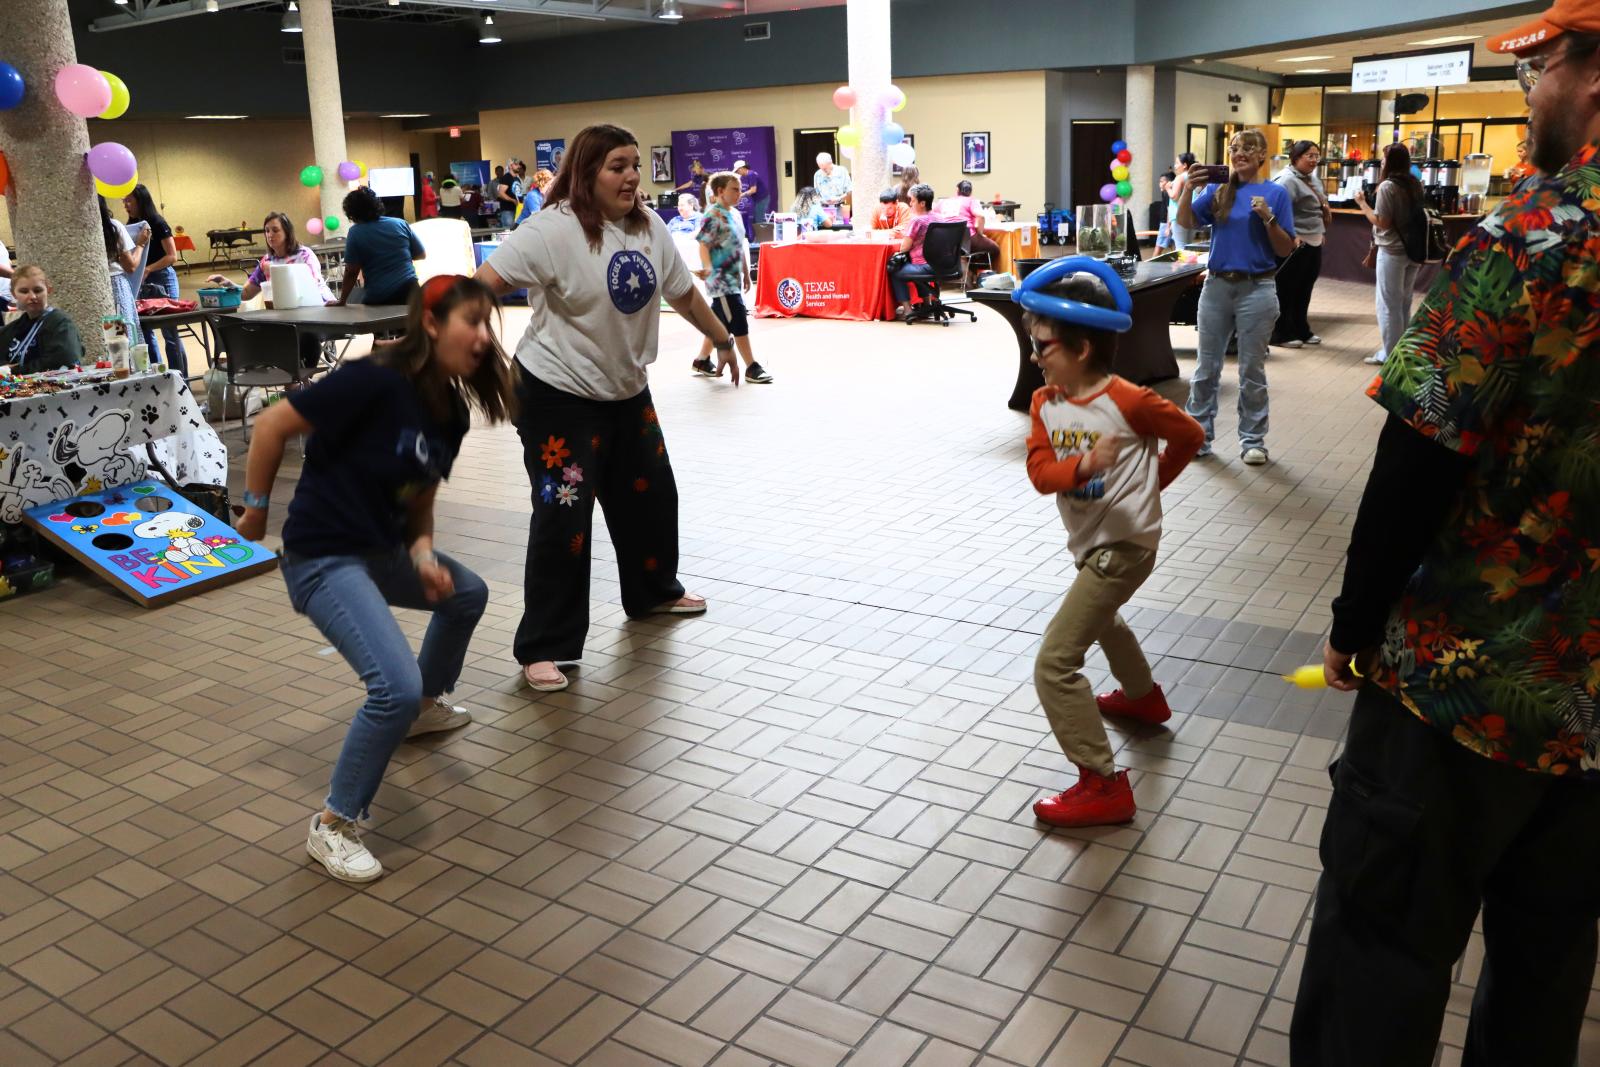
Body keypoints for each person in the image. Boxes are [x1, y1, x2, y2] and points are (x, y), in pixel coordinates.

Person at [1291, 12, 1600, 1065]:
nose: (1525, 89)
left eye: (1539, 66)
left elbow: (1418, 454)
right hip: (1591, 719)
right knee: (1545, 972)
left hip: (1455, 688)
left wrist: (1350, 622)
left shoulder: (1529, 240)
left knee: (1380, 951)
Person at [235, 274, 514, 882]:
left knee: (467, 593)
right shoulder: (373, 380)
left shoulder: (450, 416)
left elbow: (419, 500)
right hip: (323, 556)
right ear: (433, 324)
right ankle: (334, 824)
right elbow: (270, 427)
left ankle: (424, 709)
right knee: (391, 683)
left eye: (488, 325)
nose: (484, 338)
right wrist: (255, 508)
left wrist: (422, 556)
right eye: (473, 321)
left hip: (382, 552)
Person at [474, 124, 739, 693]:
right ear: (586, 172)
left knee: (651, 493)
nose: (631, 177)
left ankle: (653, 593)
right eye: (618, 166)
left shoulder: (648, 226)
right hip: (555, 395)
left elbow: (683, 291)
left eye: (635, 165)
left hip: (624, 390)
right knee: (564, 518)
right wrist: (448, 344)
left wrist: (722, 338)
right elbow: (481, 287)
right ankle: (545, 646)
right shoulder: (550, 231)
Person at [1020, 259, 1204, 827]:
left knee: (1054, 663)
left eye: (1044, 346)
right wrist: (1080, 468)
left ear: (1079, 348)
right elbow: (1040, 472)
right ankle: (1143, 698)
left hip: (1123, 546)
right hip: (1090, 541)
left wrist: (1150, 487)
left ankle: (1102, 782)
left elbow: (1190, 436)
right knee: (1104, 621)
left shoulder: (1129, 400)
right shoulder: (1045, 404)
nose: (1034, 356)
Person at [1177, 129, 1295, 466]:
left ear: (1262, 155)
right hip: (1216, 286)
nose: (1239, 153)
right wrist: (1187, 188)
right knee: (1206, 367)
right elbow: (1186, 222)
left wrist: (1268, 218)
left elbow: (1285, 247)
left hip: (1257, 287)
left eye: (1247, 148)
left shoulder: (1276, 193)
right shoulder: (1218, 189)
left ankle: (1253, 440)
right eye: (1234, 148)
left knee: (1251, 370)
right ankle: (1198, 436)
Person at [207, 212, 335, 366]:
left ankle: (298, 381)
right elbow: (247, 293)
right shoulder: (266, 261)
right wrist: (228, 283)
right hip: (286, 316)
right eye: (267, 231)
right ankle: (295, 382)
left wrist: (276, 271)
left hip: (317, 311)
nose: (270, 235)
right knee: (269, 335)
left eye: (275, 230)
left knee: (301, 337)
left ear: (287, 232)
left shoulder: (305, 255)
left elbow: (311, 286)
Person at [690, 171, 773, 385]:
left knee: (718, 323)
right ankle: (752, 367)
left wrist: (746, 273)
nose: (739, 193)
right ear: (720, 191)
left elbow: (738, 245)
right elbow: (703, 245)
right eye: (734, 189)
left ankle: (701, 360)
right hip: (721, 282)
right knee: (738, 321)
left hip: (734, 279)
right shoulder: (712, 216)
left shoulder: (735, 214)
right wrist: (708, 267)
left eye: (739, 188)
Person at [1354, 142, 1425, 366]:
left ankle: (1390, 354)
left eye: (1384, 158)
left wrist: (1363, 204)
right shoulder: (1415, 184)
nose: (1381, 162)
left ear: (1390, 162)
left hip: (1392, 250)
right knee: (1404, 302)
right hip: (1413, 250)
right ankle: (1404, 350)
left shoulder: (1387, 187)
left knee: (1388, 305)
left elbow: (1382, 222)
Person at [1270, 140, 1333, 349]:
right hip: (1294, 244)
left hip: (1313, 240)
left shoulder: (1312, 179)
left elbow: (1316, 208)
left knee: (1304, 288)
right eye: (1310, 156)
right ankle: (1281, 333)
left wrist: (1319, 231)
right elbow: (1277, 212)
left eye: (1317, 156)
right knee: (1286, 289)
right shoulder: (1286, 180)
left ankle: (1301, 329)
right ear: (1296, 157)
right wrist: (1291, 236)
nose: (1315, 160)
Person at [122, 185, 188, 373]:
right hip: (140, 281)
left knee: (170, 333)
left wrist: (149, 269)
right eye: (124, 201)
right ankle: (156, 375)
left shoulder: (157, 222)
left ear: (140, 200)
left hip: (163, 278)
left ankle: (181, 378)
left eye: (129, 200)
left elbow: (172, 256)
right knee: (146, 331)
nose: (126, 205)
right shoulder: (131, 225)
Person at [338, 187, 426, 307]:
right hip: (411, 290)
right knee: (412, 325)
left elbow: (352, 271)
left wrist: (342, 300)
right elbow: (421, 254)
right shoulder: (400, 223)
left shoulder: (355, 232)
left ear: (352, 213)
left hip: (379, 296)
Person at [0, 265, 85, 372]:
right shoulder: (12, 329)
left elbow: (65, 361)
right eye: (24, 291)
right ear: (14, 294)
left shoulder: (61, 323)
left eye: (38, 290)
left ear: (48, 290)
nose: (32, 297)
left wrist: (12, 370)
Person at [888, 182, 943, 318]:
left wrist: (905, 237)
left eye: (912, 201)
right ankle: (926, 304)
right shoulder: (939, 218)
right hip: (943, 265)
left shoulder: (917, 221)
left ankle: (908, 310)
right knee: (914, 267)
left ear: (922, 203)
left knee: (895, 270)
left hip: (924, 266)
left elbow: (904, 247)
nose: (910, 204)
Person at [101, 194, 147, 351]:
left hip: (96, 287)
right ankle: (129, 368)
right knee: (124, 336)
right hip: (116, 286)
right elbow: (131, 266)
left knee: (109, 338)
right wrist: (140, 245)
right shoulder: (112, 227)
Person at [937, 179, 1002, 279]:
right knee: (995, 249)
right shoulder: (971, 200)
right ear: (971, 192)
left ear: (957, 190)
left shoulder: (944, 202)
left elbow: (933, 214)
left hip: (946, 242)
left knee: (971, 251)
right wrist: (980, 233)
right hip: (965, 239)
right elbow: (980, 216)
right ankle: (978, 275)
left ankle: (968, 271)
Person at [812, 151, 852, 223]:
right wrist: (822, 200)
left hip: (839, 208)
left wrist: (838, 199)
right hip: (824, 210)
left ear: (830, 163)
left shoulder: (842, 171)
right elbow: (816, 195)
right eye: (821, 168)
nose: (823, 170)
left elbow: (849, 191)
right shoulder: (817, 175)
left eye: (825, 168)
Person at [734, 159, 768, 238]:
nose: (737, 173)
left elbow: (753, 190)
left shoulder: (751, 174)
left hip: (762, 199)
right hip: (759, 199)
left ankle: (760, 240)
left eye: (737, 171)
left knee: (758, 220)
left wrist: (740, 196)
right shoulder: (750, 174)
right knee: (755, 220)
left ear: (742, 168)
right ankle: (758, 239)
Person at [1168, 152, 1196, 249]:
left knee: (1180, 246)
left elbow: (1174, 196)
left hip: (1179, 215)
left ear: (1184, 165)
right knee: (1189, 246)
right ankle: (1191, 264)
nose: (1175, 166)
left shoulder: (1180, 177)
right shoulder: (1194, 177)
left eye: (1177, 163)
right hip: (1192, 214)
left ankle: (1183, 265)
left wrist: (1167, 188)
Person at [1154, 172, 1178, 251]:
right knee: (1174, 247)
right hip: (1168, 223)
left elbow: (1169, 210)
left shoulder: (1167, 193)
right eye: (1159, 181)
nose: (1159, 184)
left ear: (1168, 182)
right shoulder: (1165, 193)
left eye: (1162, 181)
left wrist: (1168, 227)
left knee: (1158, 248)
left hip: (1165, 223)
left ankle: (1152, 263)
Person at [495, 163, 519, 228]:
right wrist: (512, 200)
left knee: (515, 230)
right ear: (511, 166)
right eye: (516, 165)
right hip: (507, 210)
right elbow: (501, 193)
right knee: (508, 230)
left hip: (517, 209)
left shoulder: (517, 178)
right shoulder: (506, 177)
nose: (518, 166)